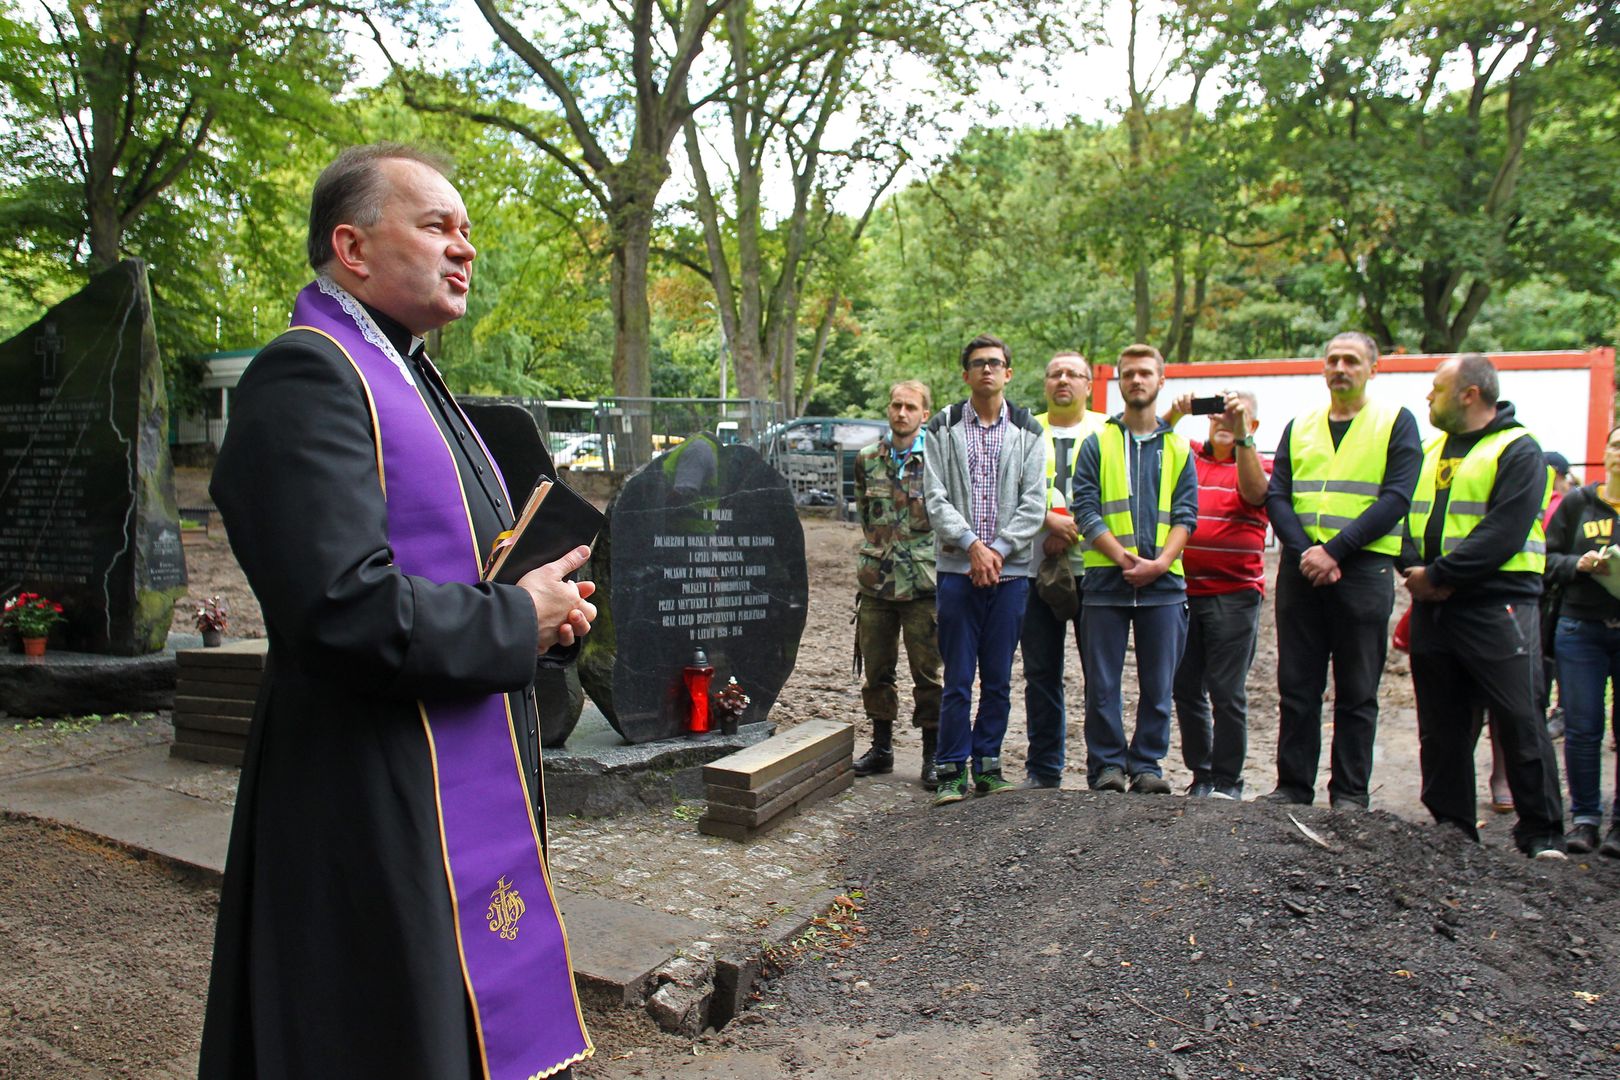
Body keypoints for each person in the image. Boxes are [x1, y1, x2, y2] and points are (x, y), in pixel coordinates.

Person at [200, 145, 597, 1079]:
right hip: (364, 791)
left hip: (439, 774)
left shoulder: (415, 381)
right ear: (352, 246)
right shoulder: (307, 379)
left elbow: (474, 575)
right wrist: (513, 621)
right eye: (436, 226)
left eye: (467, 232)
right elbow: (341, 608)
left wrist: (544, 618)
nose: (464, 250)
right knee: (379, 1035)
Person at [1401, 355, 1567, 860]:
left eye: (1437, 388)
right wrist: (1413, 572)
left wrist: (1439, 575)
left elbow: (1505, 530)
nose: (1429, 397)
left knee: (1519, 716)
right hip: (1433, 606)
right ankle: (1451, 826)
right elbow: (1406, 520)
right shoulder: (1430, 453)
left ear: (1470, 394)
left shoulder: (1519, 450)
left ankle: (1540, 833)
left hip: (1499, 605)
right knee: (1442, 724)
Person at [1262, 331, 1421, 809]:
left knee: (1357, 688)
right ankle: (1292, 785)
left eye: (1351, 360)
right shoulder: (1301, 423)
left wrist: (1335, 550)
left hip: (1363, 568)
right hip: (1301, 567)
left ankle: (1350, 792)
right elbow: (1277, 495)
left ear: (1373, 368)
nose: (1340, 368)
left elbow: (1396, 497)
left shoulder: (1396, 423)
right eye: (1332, 359)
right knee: (1297, 685)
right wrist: (1306, 550)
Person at [922, 333, 1047, 805]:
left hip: (1011, 574)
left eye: (995, 363)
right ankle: (951, 768)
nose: (987, 370)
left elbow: (1035, 501)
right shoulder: (943, 426)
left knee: (997, 677)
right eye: (978, 363)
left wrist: (998, 549)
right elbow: (935, 499)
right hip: (958, 569)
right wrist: (973, 546)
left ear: (1008, 373)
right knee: (957, 676)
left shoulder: (1030, 430)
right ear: (966, 374)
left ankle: (989, 764)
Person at [1071, 344, 1198, 794]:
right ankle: (1106, 765)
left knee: (1158, 684)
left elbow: (1186, 515)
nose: (1137, 380)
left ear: (1161, 381)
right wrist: (1126, 559)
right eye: (1129, 374)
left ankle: (1147, 764)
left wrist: (1161, 564)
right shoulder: (1097, 442)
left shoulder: (1179, 448)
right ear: (1119, 382)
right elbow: (1084, 510)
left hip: (1164, 587)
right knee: (1102, 685)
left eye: (1146, 373)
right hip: (1107, 582)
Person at [1164, 389, 1270, 800]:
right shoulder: (1188, 454)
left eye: (1235, 416)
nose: (1223, 422)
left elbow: (1255, 494)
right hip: (1184, 592)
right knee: (1186, 688)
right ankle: (1202, 774)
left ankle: (1229, 780)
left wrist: (1243, 438)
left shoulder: (1261, 463)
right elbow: (1152, 444)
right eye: (1217, 416)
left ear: (1253, 426)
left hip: (1235, 594)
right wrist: (1175, 411)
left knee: (1227, 691)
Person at [1018, 352, 1108, 789]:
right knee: (1040, 673)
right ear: (1045, 383)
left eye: (1073, 374)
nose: (1064, 380)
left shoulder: (1109, 430)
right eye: (1055, 374)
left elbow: (1116, 493)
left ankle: (1103, 767)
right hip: (1035, 570)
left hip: (1096, 569)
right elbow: (1007, 489)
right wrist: (1045, 522)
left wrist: (1070, 531)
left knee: (1100, 675)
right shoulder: (1024, 430)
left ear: (1089, 384)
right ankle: (1043, 768)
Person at [852, 380, 944, 789]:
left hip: (924, 585)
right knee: (876, 672)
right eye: (895, 405)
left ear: (925, 414)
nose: (901, 413)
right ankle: (882, 748)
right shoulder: (868, 459)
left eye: (910, 407)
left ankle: (932, 755)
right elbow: (865, 516)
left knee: (928, 675)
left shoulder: (939, 460)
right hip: (877, 584)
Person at [1544, 423, 1620, 857]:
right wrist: (1579, 564)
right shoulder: (1578, 504)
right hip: (1580, 628)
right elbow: (1546, 558)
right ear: (1604, 452)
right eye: (1615, 444)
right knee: (1582, 726)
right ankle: (1585, 819)